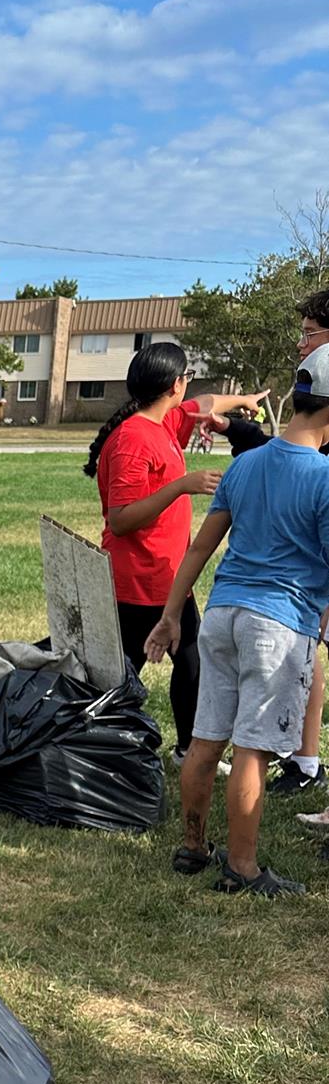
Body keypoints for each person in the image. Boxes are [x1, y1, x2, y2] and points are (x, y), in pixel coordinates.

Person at [146, 344, 329, 898]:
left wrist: (170, 614)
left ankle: (194, 847)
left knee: (206, 741)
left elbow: (200, 548)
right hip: (277, 627)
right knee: (252, 749)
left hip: (221, 616)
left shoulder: (244, 463)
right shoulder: (324, 477)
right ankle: (243, 869)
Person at [82, 343, 261, 762]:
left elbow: (206, 403)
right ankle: (91, 744)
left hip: (168, 576)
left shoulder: (165, 422)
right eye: (186, 379)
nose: (189, 388)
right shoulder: (133, 439)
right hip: (138, 581)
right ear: (174, 384)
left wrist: (244, 402)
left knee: (191, 661)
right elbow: (122, 519)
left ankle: (183, 749)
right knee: (124, 675)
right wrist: (181, 485)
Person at [199, 290, 329, 799]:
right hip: (282, 606)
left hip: (263, 599)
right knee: (303, 663)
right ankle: (303, 757)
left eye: (310, 333)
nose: (301, 344)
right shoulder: (311, 409)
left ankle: (302, 758)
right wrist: (233, 425)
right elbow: (281, 452)